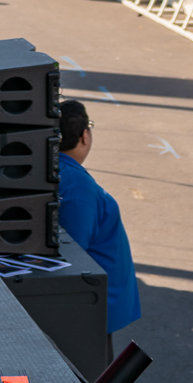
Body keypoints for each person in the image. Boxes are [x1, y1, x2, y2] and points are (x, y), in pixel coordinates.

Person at [54, 100, 142, 343]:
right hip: (91, 309)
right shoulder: (77, 187)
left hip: (92, 305)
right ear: (84, 135)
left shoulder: (60, 173)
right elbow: (74, 255)